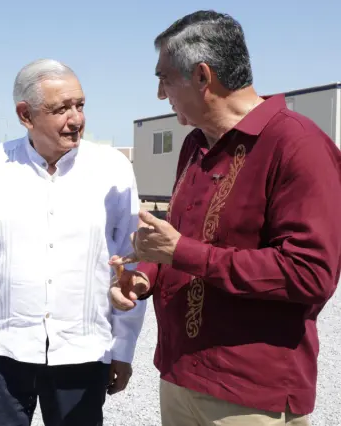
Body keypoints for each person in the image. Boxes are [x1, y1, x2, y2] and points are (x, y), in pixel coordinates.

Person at [110, 10, 341, 426]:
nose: (161, 94)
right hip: (180, 377)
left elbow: (311, 273)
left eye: (164, 78)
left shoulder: (297, 145)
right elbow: (178, 240)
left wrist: (183, 252)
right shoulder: (196, 145)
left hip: (248, 396)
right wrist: (145, 275)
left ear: (202, 76)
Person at [0, 58, 147, 426]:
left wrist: (124, 347)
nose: (76, 119)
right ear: (26, 114)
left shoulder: (112, 168)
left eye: (80, 105)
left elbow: (130, 263)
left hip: (82, 351)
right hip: (1, 350)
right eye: (61, 109)